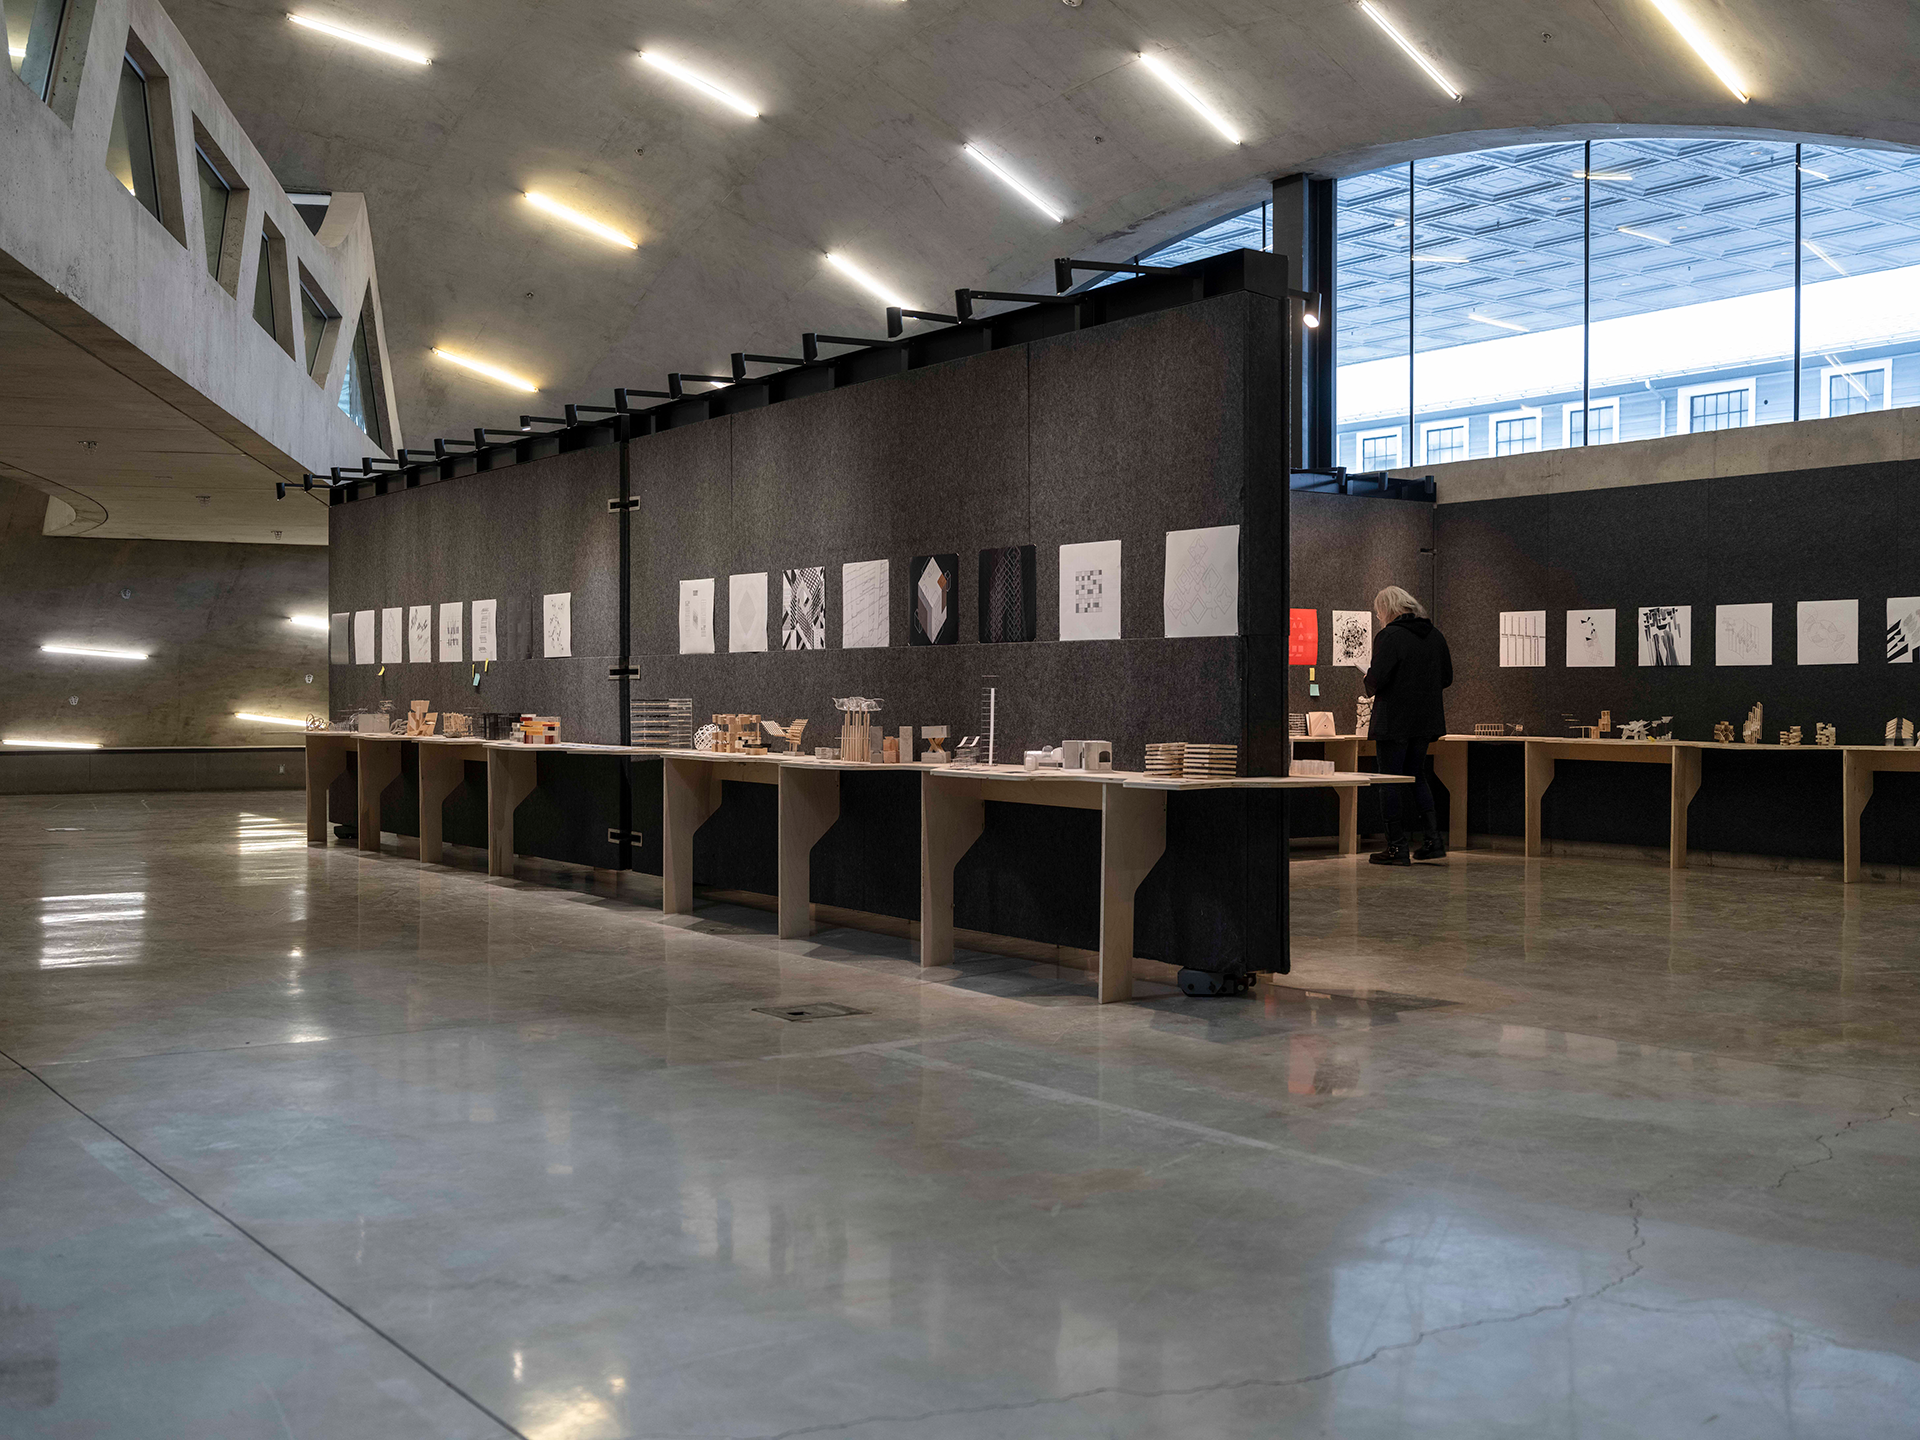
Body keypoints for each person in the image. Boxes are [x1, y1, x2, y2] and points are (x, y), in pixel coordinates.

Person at [1361, 585, 1452, 865]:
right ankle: (1433, 840)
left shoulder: (1389, 636)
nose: (1379, 619)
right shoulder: (1435, 636)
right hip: (1425, 721)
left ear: (1388, 610)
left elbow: (1376, 680)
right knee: (1417, 775)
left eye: (1379, 613)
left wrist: (1369, 681)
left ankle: (1396, 846)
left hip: (1394, 721)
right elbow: (1447, 678)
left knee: (1388, 779)